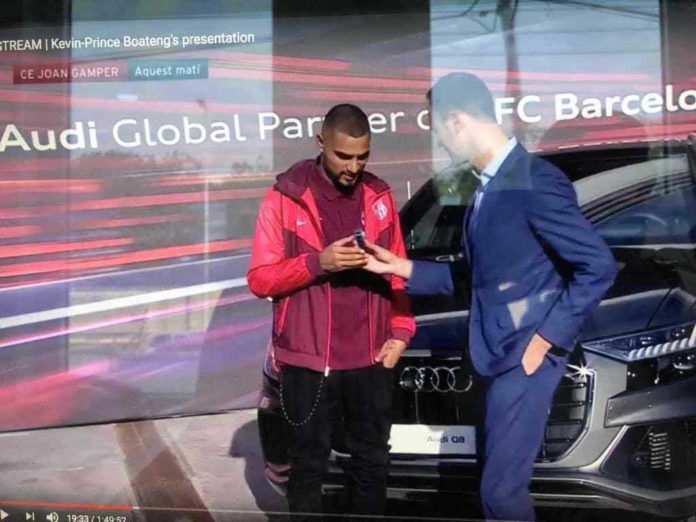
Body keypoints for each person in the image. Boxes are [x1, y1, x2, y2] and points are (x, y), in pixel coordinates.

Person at [363, 73, 617, 522]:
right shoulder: (486, 186)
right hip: (495, 354)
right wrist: (400, 268)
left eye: (436, 126)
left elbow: (596, 266)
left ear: (458, 120)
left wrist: (546, 341)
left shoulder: (533, 180)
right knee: (494, 486)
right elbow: (478, 275)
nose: (438, 140)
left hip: (524, 356)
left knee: (501, 493)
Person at [247, 104, 415, 520]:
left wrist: (402, 331)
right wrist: (318, 263)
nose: (353, 167)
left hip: (371, 358)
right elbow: (260, 279)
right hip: (306, 362)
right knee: (307, 468)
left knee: (372, 464)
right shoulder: (284, 197)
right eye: (344, 156)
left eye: (362, 156)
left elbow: (398, 273)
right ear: (321, 143)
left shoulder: (379, 195)